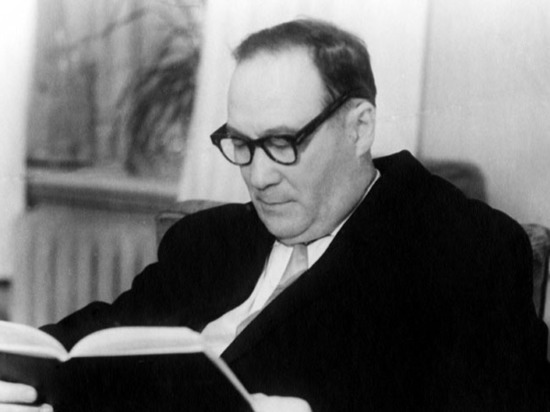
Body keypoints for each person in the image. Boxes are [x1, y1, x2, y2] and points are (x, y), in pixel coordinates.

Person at [1, 18, 549, 411]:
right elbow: (102, 338)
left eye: (283, 143)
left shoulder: (460, 249)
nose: (258, 176)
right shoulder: (208, 241)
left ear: (359, 127)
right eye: (241, 144)